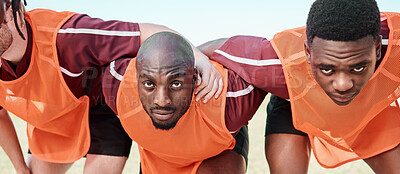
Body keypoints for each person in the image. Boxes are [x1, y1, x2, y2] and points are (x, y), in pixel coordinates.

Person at [0, 0, 223, 173]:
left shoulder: (68, 36)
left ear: (10, 14)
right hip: (54, 123)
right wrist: (20, 168)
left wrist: (199, 59)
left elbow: (146, 32)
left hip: (101, 113)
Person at [200, 0, 400, 173]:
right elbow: (202, 49)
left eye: (358, 67)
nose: (342, 85)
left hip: (365, 109)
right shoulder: (275, 62)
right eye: (327, 69)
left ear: (376, 49)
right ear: (308, 52)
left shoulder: (395, 48)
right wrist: (198, 59)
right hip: (293, 104)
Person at [101, 31, 289, 173]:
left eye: (175, 84)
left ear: (195, 79)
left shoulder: (230, 99)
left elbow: (273, 67)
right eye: (149, 84)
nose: (162, 100)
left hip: (215, 151)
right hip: (158, 155)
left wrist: (200, 56)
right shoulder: (116, 83)